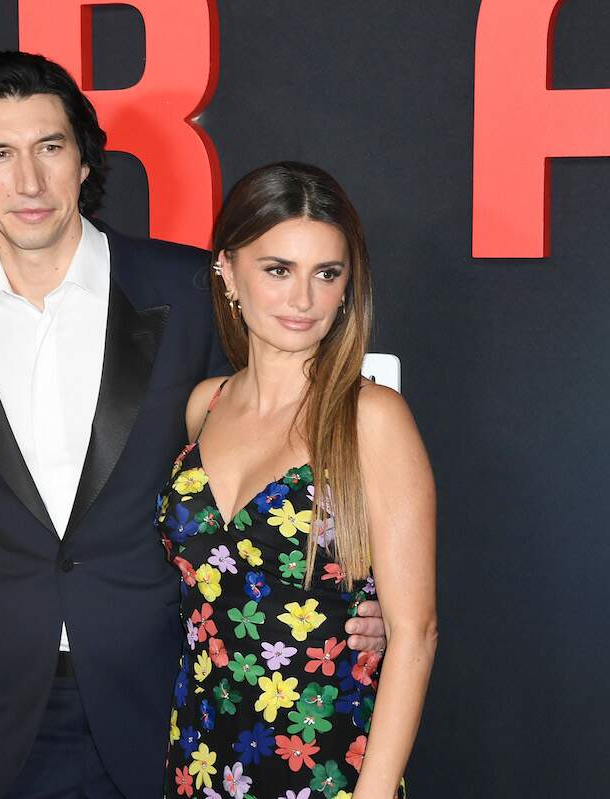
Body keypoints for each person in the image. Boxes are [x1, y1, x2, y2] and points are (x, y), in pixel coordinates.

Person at [0, 52, 388, 799]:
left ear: (86, 162)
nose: (28, 181)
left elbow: (311, 419)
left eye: (50, 148)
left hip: (171, 704)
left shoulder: (192, 290)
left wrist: (360, 594)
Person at [157, 162, 436, 799]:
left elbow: (416, 633)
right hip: (201, 753)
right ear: (227, 271)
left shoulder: (371, 418)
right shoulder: (207, 405)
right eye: (278, 270)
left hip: (326, 758)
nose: (304, 299)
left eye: (326, 274)